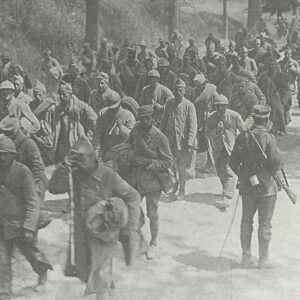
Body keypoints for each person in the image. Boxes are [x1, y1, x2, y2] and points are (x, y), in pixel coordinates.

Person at [48, 138, 141, 300]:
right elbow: (54, 188)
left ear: (92, 157)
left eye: (81, 159)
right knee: (87, 274)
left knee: (99, 277)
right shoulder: (74, 174)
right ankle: (107, 287)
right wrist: (63, 166)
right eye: (75, 159)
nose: (78, 164)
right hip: (83, 234)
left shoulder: (108, 174)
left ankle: (105, 290)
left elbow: (133, 196)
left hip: (104, 235)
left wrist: (129, 227)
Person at [229, 105, 283, 269]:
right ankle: (263, 260)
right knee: (265, 224)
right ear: (266, 119)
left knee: (246, 222)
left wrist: (245, 176)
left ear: (254, 118)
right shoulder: (269, 138)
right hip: (267, 188)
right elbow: (276, 162)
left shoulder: (242, 137)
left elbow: (232, 162)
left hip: (248, 188)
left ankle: (246, 258)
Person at [0, 134, 52, 299]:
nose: (2, 157)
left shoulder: (23, 172)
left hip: (20, 223)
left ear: (12, 154)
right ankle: (5, 291)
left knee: (31, 254)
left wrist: (29, 227)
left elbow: (32, 202)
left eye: (5, 154)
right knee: (2, 260)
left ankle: (42, 274)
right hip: (2, 224)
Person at [126, 105, 173, 259]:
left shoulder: (160, 137)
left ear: (153, 118)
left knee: (152, 213)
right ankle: (137, 237)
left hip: (153, 182)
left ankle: (153, 243)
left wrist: (148, 163)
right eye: (142, 118)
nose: (145, 121)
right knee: (131, 209)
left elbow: (168, 162)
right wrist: (131, 157)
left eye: (148, 118)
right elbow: (127, 147)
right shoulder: (135, 131)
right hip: (136, 180)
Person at [205, 94, 245, 209]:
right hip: (217, 149)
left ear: (226, 106)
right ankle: (226, 189)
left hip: (231, 148)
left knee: (228, 169)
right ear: (214, 106)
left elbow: (243, 131)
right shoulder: (211, 118)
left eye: (223, 106)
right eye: (217, 106)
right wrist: (216, 131)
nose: (220, 109)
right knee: (220, 170)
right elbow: (207, 134)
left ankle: (227, 195)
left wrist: (240, 144)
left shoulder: (234, 115)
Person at [160, 79, 197, 200]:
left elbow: (193, 126)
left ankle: (182, 190)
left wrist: (190, 142)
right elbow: (163, 121)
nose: (178, 92)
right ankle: (175, 185)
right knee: (170, 165)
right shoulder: (169, 103)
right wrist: (161, 137)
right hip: (169, 141)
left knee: (181, 167)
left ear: (185, 91)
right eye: (176, 89)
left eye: (181, 89)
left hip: (182, 142)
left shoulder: (189, 106)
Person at [54, 82, 97, 163]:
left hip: (78, 139)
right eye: (59, 94)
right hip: (64, 142)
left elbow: (94, 119)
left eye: (64, 94)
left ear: (70, 93)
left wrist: (90, 133)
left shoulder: (80, 105)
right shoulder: (60, 107)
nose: (61, 97)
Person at [92, 92, 135, 158]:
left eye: (114, 108)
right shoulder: (103, 114)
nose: (112, 110)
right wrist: (95, 151)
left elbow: (133, 137)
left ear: (119, 104)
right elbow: (97, 134)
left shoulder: (128, 116)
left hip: (122, 154)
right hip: (106, 152)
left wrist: (121, 127)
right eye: (110, 108)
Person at [258, 55, 291, 135]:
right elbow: (258, 87)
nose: (271, 67)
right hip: (265, 97)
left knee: (277, 108)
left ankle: (281, 128)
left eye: (272, 65)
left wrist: (283, 102)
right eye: (269, 65)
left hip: (278, 98)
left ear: (275, 65)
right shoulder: (263, 76)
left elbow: (287, 90)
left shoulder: (281, 75)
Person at [30, 81, 56, 165]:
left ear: (44, 94)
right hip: (35, 136)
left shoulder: (50, 107)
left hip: (47, 137)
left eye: (40, 95)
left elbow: (55, 125)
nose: (38, 97)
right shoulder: (31, 105)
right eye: (35, 95)